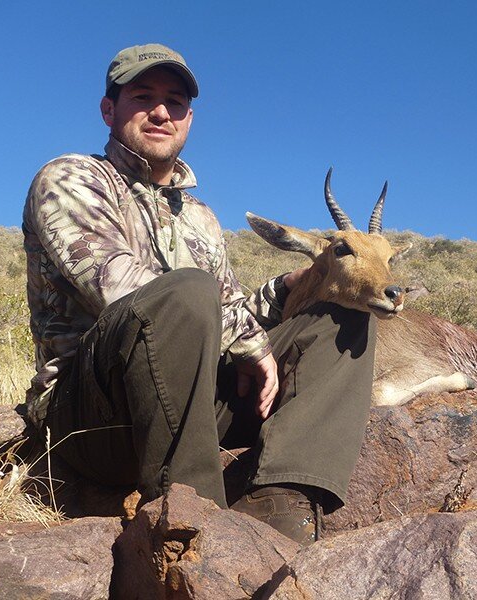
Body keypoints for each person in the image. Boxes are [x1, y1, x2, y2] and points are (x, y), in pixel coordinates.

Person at [22, 43, 376, 546]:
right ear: (109, 109)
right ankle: (195, 522)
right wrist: (247, 341)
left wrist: (288, 290)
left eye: (176, 102)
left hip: (194, 404)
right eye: (143, 97)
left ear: (189, 118)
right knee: (186, 291)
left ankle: (279, 503)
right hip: (92, 418)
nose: (162, 112)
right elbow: (119, 287)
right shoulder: (71, 179)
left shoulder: (200, 218)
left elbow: (227, 309)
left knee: (342, 318)